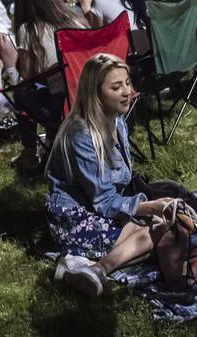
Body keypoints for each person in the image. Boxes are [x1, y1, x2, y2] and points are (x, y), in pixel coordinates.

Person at [45, 54, 177, 296]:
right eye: (116, 87)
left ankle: (83, 266)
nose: (127, 91)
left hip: (100, 207)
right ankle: (98, 268)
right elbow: (104, 202)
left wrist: (145, 207)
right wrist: (149, 207)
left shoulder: (117, 121)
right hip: (74, 214)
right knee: (155, 233)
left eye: (127, 82)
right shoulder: (82, 135)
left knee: (159, 232)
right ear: (96, 94)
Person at [10, 0, 86, 169]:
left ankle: (29, 152)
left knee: (20, 91)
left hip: (62, 106)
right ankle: (52, 138)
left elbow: (27, 77)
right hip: (89, 96)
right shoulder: (75, 20)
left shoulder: (29, 29)